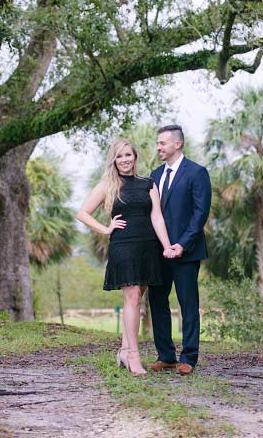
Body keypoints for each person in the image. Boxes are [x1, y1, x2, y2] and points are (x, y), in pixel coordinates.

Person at [77, 137, 177, 375]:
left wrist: (166, 245)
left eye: (128, 155)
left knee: (138, 297)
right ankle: (134, 356)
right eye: (119, 156)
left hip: (148, 246)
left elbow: (157, 218)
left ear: (135, 157)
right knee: (132, 298)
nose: (124, 160)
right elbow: (82, 213)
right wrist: (105, 229)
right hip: (124, 246)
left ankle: (124, 349)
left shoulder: (148, 184)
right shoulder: (107, 185)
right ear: (114, 160)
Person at [147, 124, 210, 376]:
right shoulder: (154, 175)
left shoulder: (197, 172)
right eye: (157, 143)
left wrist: (182, 244)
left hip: (187, 252)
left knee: (188, 304)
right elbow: (153, 214)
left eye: (162, 143)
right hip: (158, 252)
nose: (158, 147)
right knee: (157, 303)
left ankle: (189, 358)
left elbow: (200, 213)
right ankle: (166, 356)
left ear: (177, 144)